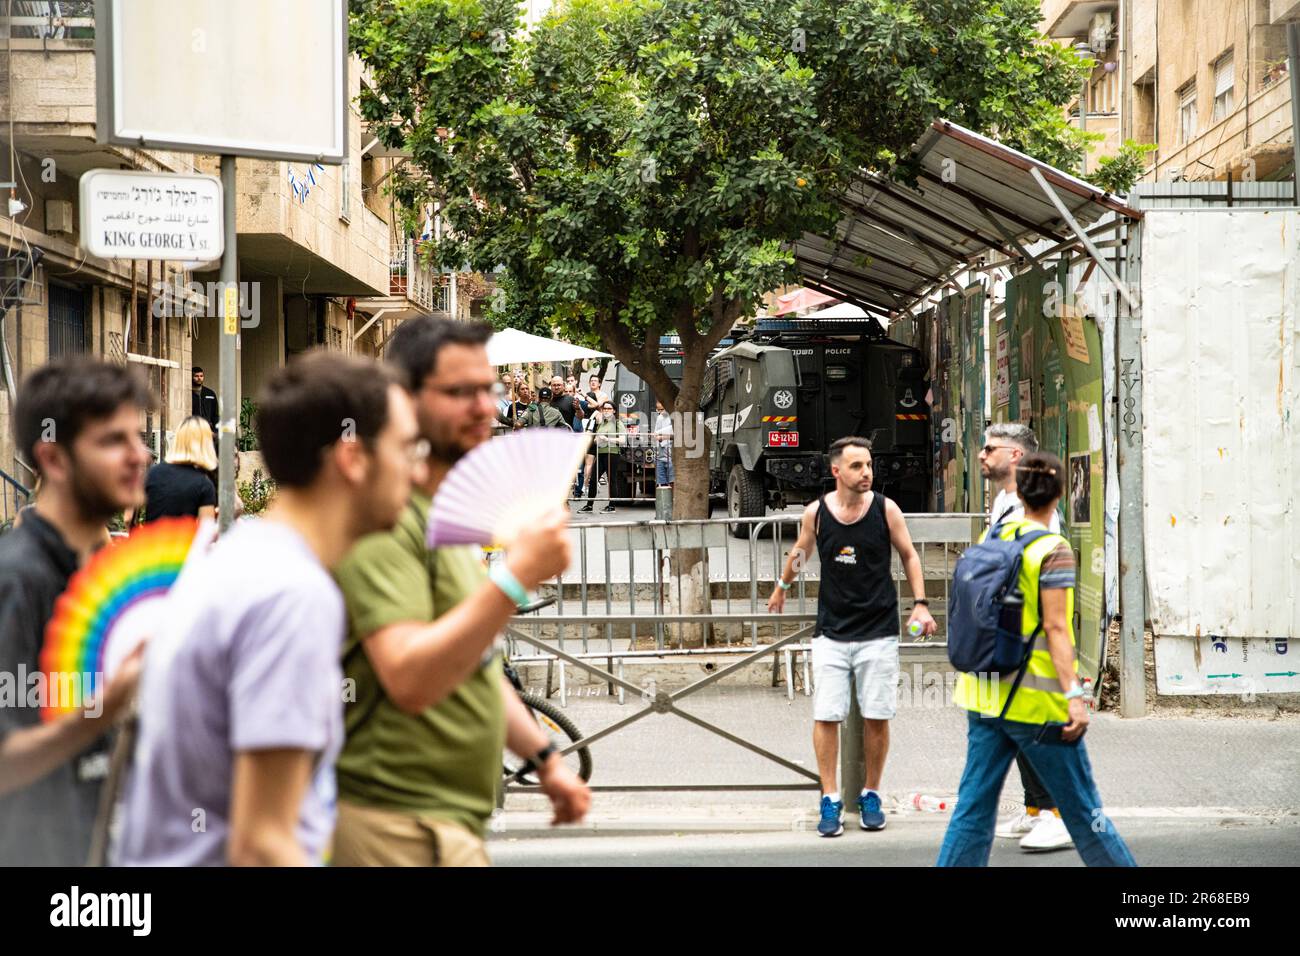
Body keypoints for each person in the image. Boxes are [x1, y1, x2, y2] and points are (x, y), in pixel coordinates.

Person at [114, 351, 422, 866]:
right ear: (351, 458)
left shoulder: (251, 561)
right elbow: (263, 844)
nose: (418, 470)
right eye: (407, 449)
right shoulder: (291, 595)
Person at [331, 317, 589, 867]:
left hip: (449, 824)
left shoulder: (446, 518)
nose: (485, 408)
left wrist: (545, 762)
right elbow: (408, 676)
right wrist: (515, 578)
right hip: (391, 823)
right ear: (403, 399)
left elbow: (473, 662)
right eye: (459, 392)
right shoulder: (386, 517)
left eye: (488, 389)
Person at [937, 452, 1135, 867]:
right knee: (1086, 814)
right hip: (1038, 705)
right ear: (1060, 494)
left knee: (972, 812)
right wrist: (1075, 697)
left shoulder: (997, 534)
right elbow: (1057, 629)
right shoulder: (1053, 549)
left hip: (985, 694)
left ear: (1019, 493)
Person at [0, 357, 153, 865]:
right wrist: (99, 714)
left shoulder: (103, 575)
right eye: (113, 441)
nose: (140, 456)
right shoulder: (19, 580)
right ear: (54, 459)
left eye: (139, 436)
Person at [767, 437, 936, 837]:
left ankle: (871, 793)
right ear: (836, 471)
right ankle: (830, 799)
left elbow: (910, 554)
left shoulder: (886, 509)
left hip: (878, 630)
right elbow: (801, 552)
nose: (867, 473)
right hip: (832, 632)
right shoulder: (817, 513)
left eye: (870, 466)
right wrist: (781, 587)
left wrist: (922, 603)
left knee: (877, 715)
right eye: (858, 466)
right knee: (827, 714)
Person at [978, 423, 1071, 853]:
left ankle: (1058, 813)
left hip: (1032, 630)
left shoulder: (1036, 508)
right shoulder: (1002, 501)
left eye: (990, 448)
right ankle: (1036, 809)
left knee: (1036, 724)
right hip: (1006, 629)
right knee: (1014, 722)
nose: (982, 454)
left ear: (1015, 456)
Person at [142, 416, 218, 525]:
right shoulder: (204, 484)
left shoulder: (152, 473)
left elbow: (128, 517)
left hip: (151, 541)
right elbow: (206, 531)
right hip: (186, 541)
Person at [581, 399, 624, 514]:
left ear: (614, 410)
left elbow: (623, 440)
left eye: (609, 408)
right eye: (604, 408)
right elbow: (595, 439)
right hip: (600, 453)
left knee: (612, 480)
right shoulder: (601, 423)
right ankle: (589, 505)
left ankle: (612, 506)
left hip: (613, 453)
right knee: (594, 479)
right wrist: (597, 440)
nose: (606, 411)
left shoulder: (618, 423)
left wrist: (607, 439)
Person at [191, 366, 219, 435]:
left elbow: (215, 415)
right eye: (196, 376)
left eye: (201, 376)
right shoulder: (187, 393)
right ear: (191, 377)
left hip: (208, 431)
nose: (199, 378)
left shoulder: (210, 394)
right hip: (193, 430)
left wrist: (215, 431)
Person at [653, 399, 674, 489]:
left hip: (672, 455)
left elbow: (677, 432)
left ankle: (674, 502)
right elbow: (655, 434)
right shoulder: (659, 418)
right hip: (660, 455)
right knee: (661, 484)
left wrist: (662, 435)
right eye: (658, 410)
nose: (660, 412)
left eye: (662, 409)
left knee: (673, 482)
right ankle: (664, 502)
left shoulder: (675, 416)